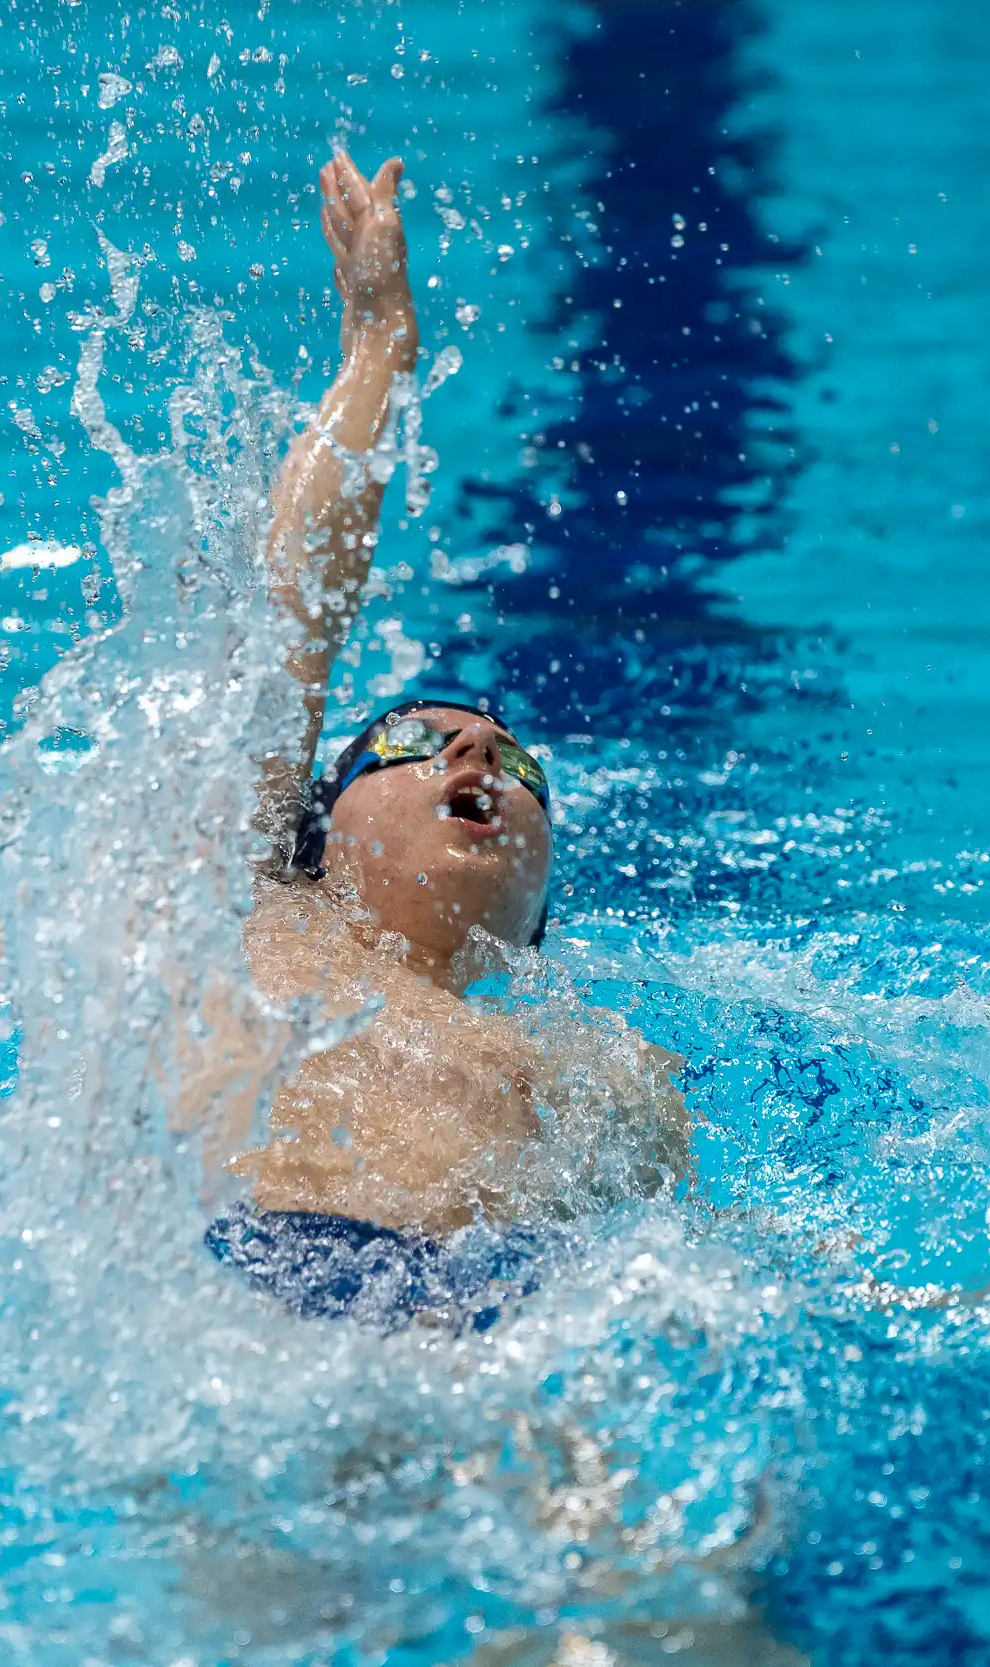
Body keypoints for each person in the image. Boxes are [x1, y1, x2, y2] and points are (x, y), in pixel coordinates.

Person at [206, 148, 695, 1337]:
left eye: (514, 763)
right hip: (256, 1290)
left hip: (504, 1318)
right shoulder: (260, 920)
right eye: (421, 739)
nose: (479, 762)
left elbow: (680, 1263)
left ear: (535, 912)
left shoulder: (605, 1073)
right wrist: (378, 350)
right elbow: (293, 619)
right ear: (317, 830)